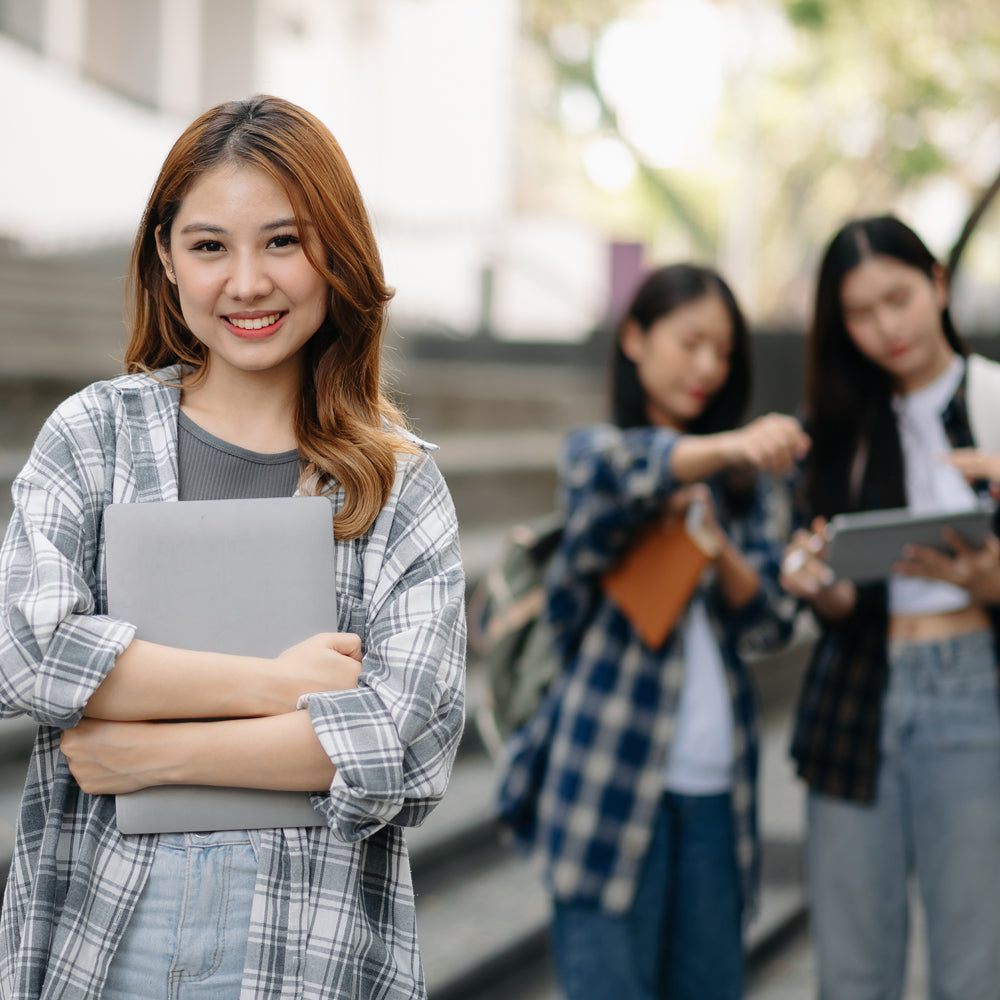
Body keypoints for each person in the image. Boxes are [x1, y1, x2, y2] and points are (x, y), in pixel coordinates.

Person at [0, 95, 466, 999]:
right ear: (166, 259)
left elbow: (402, 747)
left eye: (283, 242)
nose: (247, 281)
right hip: (105, 938)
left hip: (307, 952)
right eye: (210, 245)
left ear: (337, 252)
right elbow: (27, 649)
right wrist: (279, 686)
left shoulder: (399, 485)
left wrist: (149, 750)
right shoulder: (93, 436)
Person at [497, 263, 809, 1000]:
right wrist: (729, 449)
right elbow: (631, 472)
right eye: (691, 341)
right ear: (635, 338)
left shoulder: (744, 488)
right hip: (606, 788)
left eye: (724, 352)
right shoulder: (596, 453)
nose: (708, 366)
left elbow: (767, 622)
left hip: (715, 797)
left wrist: (712, 535)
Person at [780, 215, 1000, 1000]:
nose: (887, 328)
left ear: (938, 284)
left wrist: (989, 584)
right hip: (857, 689)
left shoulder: (993, 399)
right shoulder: (839, 428)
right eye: (861, 313)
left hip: (973, 683)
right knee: (851, 966)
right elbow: (842, 598)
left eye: (899, 299)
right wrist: (821, 582)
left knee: (974, 962)